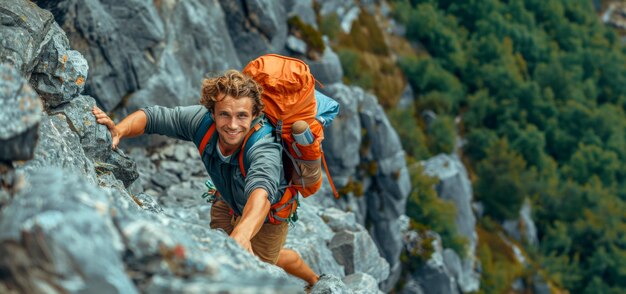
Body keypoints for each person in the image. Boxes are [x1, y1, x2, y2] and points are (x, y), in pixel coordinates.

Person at [92, 70, 320, 287]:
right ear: (212, 113)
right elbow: (152, 117)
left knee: (256, 266)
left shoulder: (264, 147)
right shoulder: (200, 121)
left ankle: (311, 278)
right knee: (218, 260)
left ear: (254, 115)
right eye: (224, 114)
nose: (232, 125)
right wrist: (119, 130)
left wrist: (242, 233)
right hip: (226, 200)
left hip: (268, 216)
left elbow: (262, 189)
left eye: (242, 116)